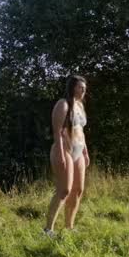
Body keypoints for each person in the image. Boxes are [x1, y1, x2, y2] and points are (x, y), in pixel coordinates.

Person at [44, 74, 90, 236]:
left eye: (84, 88)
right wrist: (61, 153)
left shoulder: (80, 105)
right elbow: (57, 132)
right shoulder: (63, 104)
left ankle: (69, 227)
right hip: (64, 151)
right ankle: (48, 230)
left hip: (79, 151)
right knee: (64, 190)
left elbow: (80, 130)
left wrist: (85, 152)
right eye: (80, 87)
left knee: (78, 190)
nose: (83, 90)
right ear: (72, 87)